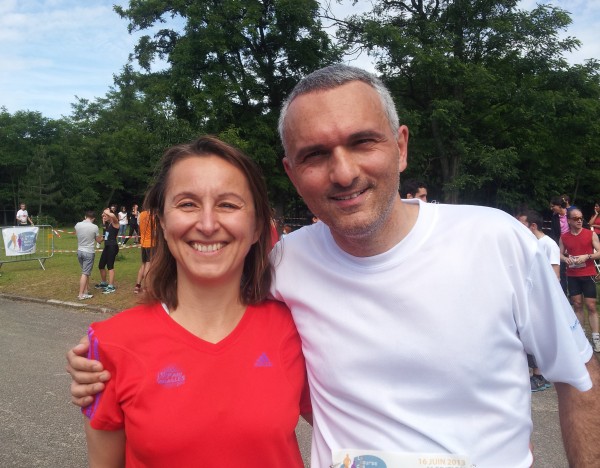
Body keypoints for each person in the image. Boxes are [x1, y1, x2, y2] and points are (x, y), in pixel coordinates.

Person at [67, 65, 600, 467]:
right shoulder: (285, 266)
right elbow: (197, 316)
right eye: (316, 154)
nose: (343, 172)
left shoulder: (496, 240)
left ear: (400, 145)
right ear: (292, 173)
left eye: (362, 142)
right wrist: (106, 358)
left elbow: (580, 378)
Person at [82, 136, 311, 466]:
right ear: (161, 221)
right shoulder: (110, 344)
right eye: (187, 204)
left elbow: (357, 425)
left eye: (228, 205)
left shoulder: (296, 328)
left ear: (258, 226)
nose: (206, 224)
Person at [519, 210, 560, 391]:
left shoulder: (548, 244)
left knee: (538, 337)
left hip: (541, 300)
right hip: (528, 297)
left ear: (532, 226)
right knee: (527, 337)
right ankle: (534, 373)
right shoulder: (530, 243)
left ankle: (540, 376)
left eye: (521, 224)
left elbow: (555, 275)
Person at [559, 207, 600, 353]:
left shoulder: (590, 234)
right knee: (577, 304)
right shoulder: (564, 236)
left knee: (591, 306)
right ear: (569, 220)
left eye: (581, 218)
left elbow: (599, 252)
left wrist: (587, 256)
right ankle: (581, 337)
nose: (579, 221)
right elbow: (560, 255)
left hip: (588, 274)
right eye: (576, 218)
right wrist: (566, 259)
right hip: (572, 275)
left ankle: (596, 339)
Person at [74, 211, 102, 301]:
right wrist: (103, 238)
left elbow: (77, 233)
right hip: (89, 252)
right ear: (93, 218)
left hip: (80, 251)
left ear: (85, 216)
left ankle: (86, 291)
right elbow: (98, 240)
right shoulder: (94, 227)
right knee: (85, 273)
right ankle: (81, 294)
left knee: (85, 272)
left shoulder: (78, 224)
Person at [95, 208, 119, 294]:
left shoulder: (115, 223)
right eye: (103, 215)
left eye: (105, 215)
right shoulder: (108, 225)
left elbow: (113, 216)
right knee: (101, 265)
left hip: (113, 247)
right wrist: (95, 236)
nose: (103, 216)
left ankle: (111, 286)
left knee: (110, 266)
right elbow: (102, 239)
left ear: (110, 215)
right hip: (107, 247)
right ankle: (104, 283)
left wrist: (107, 211)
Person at [132, 208, 155, 294]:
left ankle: (137, 286)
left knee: (144, 264)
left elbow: (138, 225)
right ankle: (146, 287)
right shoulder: (153, 216)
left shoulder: (141, 214)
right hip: (151, 243)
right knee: (149, 265)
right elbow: (155, 232)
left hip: (143, 243)